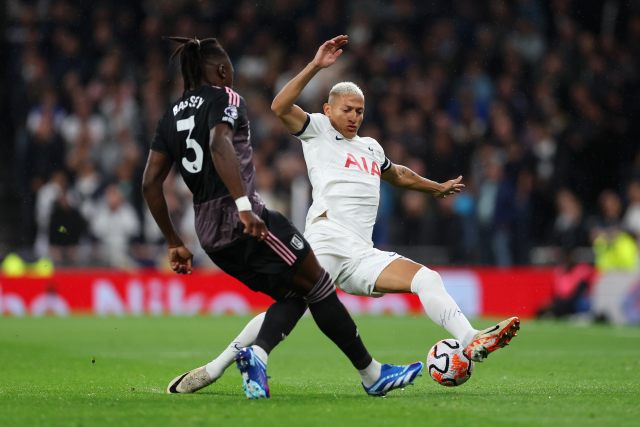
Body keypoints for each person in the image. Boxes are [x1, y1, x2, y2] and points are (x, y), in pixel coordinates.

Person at [200, 35, 520, 391]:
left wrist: (437, 187)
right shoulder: (317, 131)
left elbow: (397, 173)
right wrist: (315, 66)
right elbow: (279, 106)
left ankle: (472, 337)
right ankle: (215, 368)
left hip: (360, 252)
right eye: (347, 109)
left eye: (359, 111)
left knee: (426, 279)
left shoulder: (370, 147)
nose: (354, 117)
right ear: (329, 109)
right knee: (291, 308)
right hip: (325, 240)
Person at [142, 36, 423, 399]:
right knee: (319, 284)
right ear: (223, 70)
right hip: (246, 219)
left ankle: (254, 357)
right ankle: (369, 375)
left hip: (207, 233)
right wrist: (244, 207)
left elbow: (150, 184)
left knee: (298, 293)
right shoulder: (225, 98)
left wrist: (174, 242)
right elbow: (218, 144)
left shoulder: (171, 115)